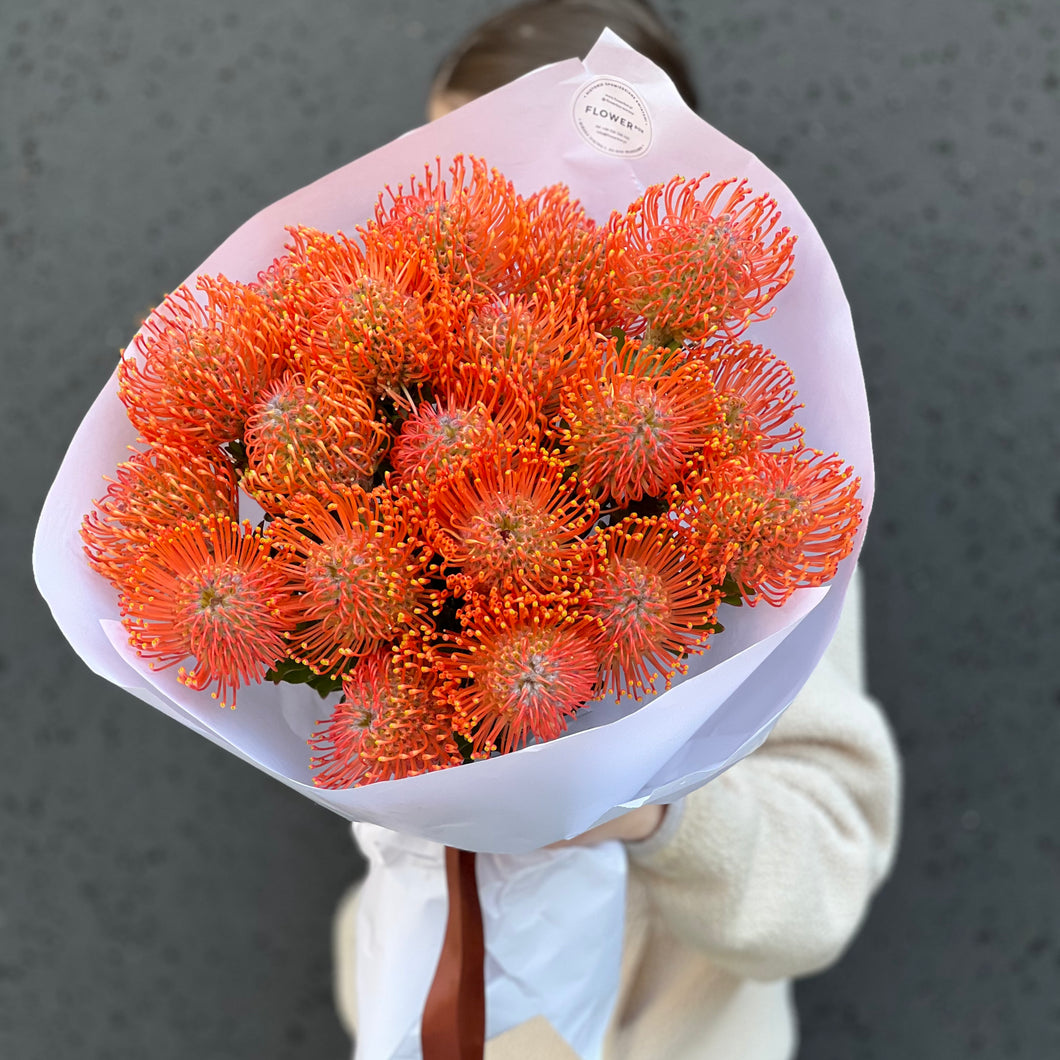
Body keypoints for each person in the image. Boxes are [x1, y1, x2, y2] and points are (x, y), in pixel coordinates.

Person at [334, 3, 902, 1056]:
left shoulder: (754, 498)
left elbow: (823, 870)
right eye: (441, 162)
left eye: (499, 167)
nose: (464, 213)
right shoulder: (385, 438)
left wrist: (638, 808)